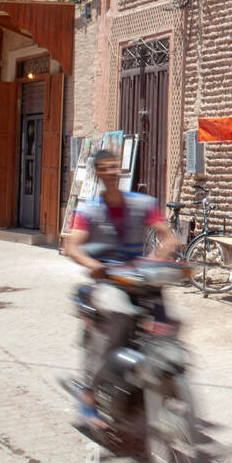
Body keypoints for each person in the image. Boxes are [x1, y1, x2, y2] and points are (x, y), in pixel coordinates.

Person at [65, 150, 180, 430]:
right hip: (108, 280)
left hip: (139, 278)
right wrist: (92, 264)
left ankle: (162, 378)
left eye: (116, 166)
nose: (112, 172)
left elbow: (168, 237)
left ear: (122, 169)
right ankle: (88, 397)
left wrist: (157, 258)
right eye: (106, 168)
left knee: (173, 322)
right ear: (98, 174)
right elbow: (72, 245)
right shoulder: (89, 210)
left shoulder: (142, 204)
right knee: (119, 315)